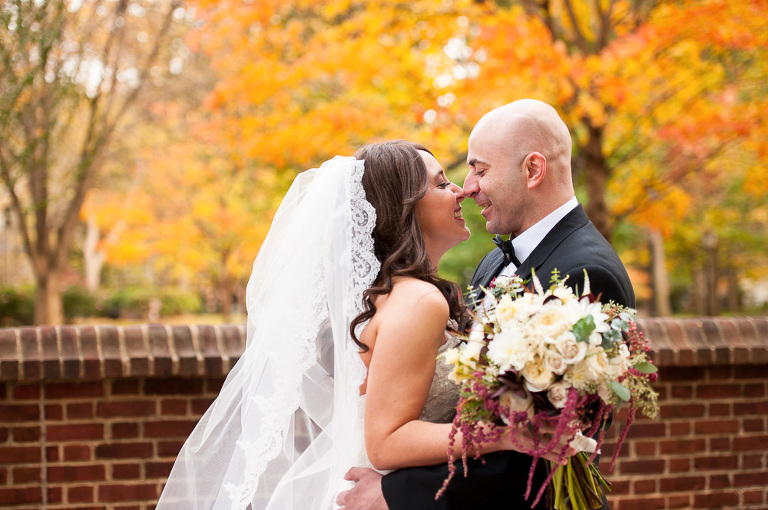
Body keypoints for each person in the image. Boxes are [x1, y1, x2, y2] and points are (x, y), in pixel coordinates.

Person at [156, 140, 570, 510]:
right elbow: (386, 443)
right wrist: (506, 434)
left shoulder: (393, 294)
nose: (462, 190)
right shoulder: (419, 301)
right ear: (404, 205)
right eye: (441, 185)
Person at [337, 99, 635, 509]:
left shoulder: (587, 272)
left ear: (533, 170)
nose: (468, 186)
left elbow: (545, 443)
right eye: (452, 179)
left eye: (479, 169)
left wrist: (397, 494)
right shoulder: (493, 262)